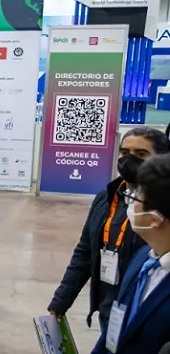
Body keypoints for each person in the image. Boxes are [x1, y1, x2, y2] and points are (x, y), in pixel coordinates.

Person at [72, 153, 170, 354]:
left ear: (154, 218)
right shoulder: (145, 259)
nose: (130, 202)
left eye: (136, 197)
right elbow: (118, 323)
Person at [49, 128, 169, 327]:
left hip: (145, 312)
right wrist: (61, 300)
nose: (129, 160)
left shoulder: (163, 206)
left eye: (140, 154)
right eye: (124, 153)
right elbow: (84, 252)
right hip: (109, 308)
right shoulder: (105, 198)